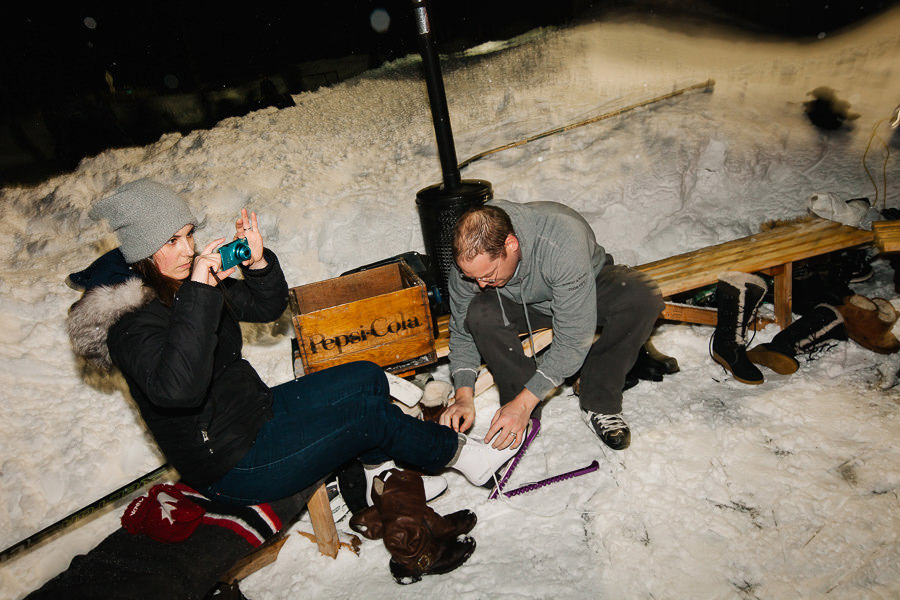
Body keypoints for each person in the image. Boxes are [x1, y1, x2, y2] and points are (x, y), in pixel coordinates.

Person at [66, 179, 523, 511]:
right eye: (173, 240)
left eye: (188, 234)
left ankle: (372, 477)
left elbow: (266, 309)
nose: (188, 249)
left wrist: (259, 261)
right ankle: (468, 458)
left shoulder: (184, 284)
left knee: (364, 376)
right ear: (145, 251)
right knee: (367, 418)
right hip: (233, 463)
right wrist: (201, 295)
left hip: (256, 413)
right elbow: (178, 390)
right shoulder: (130, 325)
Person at [440, 200, 664, 451]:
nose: (480, 284)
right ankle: (520, 412)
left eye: (488, 275)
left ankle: (598, 399)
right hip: (518, 302)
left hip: (582, 289)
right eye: (472, 278)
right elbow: (461, 332)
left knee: (640, 297)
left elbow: (573, 337)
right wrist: (463, 396)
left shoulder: (560, 240)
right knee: (479, 313)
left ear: (510, 245)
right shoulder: (472, 260)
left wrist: (528, 399)